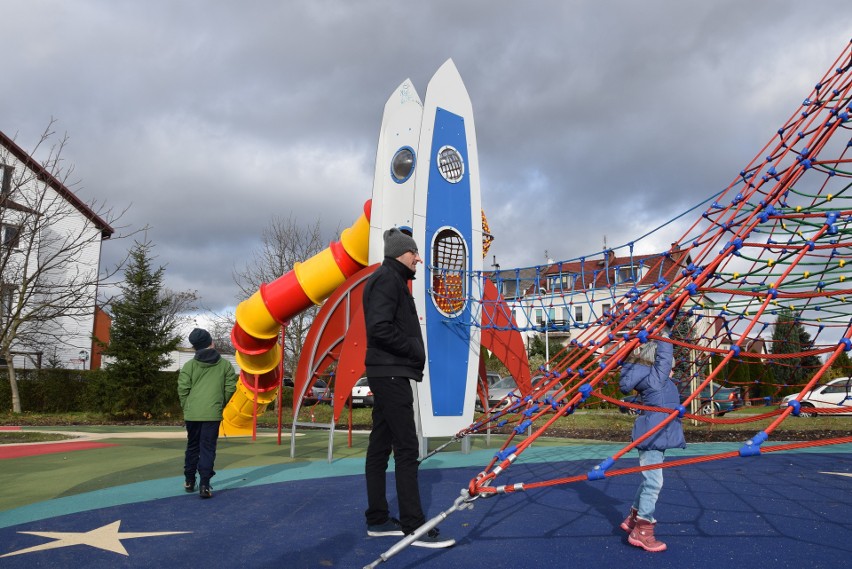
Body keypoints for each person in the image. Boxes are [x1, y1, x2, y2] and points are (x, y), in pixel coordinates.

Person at [362, 227, 455, 549]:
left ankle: (377, 519)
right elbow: (380, 328)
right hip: (390, 372)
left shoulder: (390, 279)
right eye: (414, 252)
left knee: (379, 447)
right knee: (406, 448)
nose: (418, 258)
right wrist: (415, 349)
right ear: (401, 254)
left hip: (387, 371)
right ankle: (414, 526)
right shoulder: (388, 279)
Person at [618, 331, 685, 552]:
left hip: (658, 436)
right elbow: (664, 359)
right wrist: (663, 335)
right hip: (653, 437)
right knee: (654, 483)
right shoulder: (655, 378)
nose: (671, 370)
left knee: (649, 480)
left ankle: (632, 519)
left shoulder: (654, 380)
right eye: (669, 366)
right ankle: (643, 530)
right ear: (656, 363)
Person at [177, 328, 237, 499]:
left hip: (192, 413)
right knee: (208, 448)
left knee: (193, 446)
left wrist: (187, 406)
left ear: (195, 347)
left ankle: (189, 480)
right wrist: (219, 404)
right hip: (212, 413)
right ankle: (205, 484)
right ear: (212, 342)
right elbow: (230, 387)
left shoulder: (189, 366)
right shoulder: (225, 365)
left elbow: (183, 389)